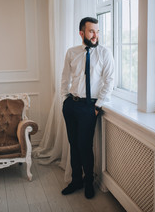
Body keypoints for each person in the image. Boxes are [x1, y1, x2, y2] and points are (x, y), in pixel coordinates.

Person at [61, 17, 114, 199]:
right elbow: (64, 78)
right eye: (92, 31)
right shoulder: (71, 52)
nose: (95, 35)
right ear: (81, 33)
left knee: (85, 146)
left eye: (97, 31)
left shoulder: (104, 54)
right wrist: (64, 100)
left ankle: (88, 182)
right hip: (71, 105)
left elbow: (109, 81)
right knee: (73, 145)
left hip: (89, 108)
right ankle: (76, 181)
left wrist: (98, 106)